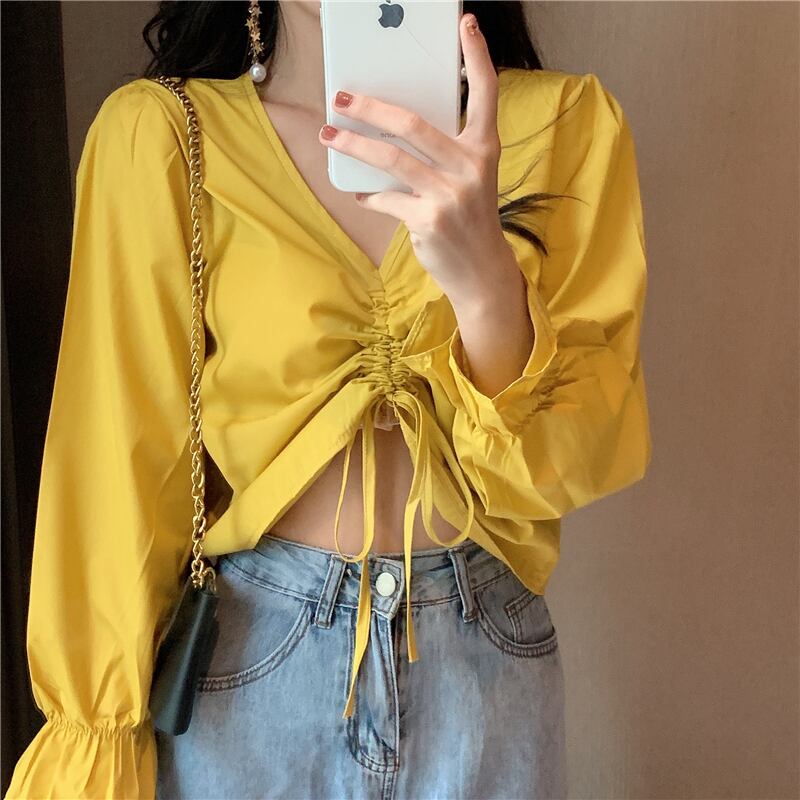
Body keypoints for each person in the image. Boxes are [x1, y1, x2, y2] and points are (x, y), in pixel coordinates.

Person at [5, 1, 652, 798]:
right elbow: (113, 480)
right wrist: (95, 741)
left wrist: (487, 280)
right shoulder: (165, 136)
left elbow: (574, 460)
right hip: (251, 670)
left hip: (483, 672)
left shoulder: (564, 127)